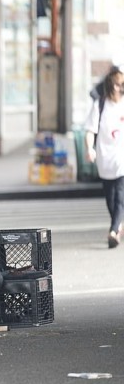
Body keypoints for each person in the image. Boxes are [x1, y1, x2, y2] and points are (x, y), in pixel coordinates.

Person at [85, 66, 124, 248]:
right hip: (104, 158)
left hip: (121, 158)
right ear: (110, 86)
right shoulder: (100, 105)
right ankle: (117, 226)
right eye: (116, 84)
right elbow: (90, 131)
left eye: (121, 84)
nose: (118, 88)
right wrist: (89, 149)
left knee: (120, 196)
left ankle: (113, 231)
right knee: (110, 198)